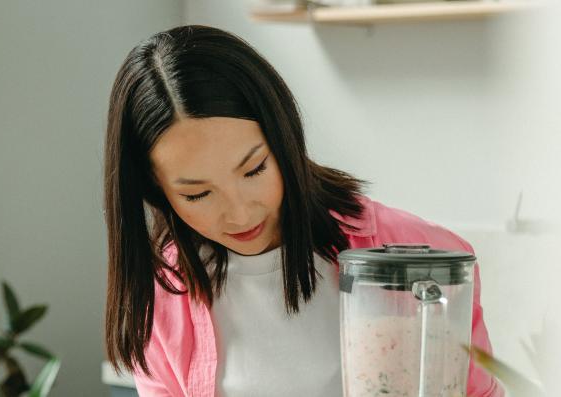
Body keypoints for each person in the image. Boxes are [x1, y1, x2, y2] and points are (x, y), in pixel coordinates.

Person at [103, 25, 503, 397]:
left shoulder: (417, 250)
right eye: (197, 195)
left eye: (254, 169)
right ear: (155, 191)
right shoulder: (162, 294)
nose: (240, 214)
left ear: (284, 136)